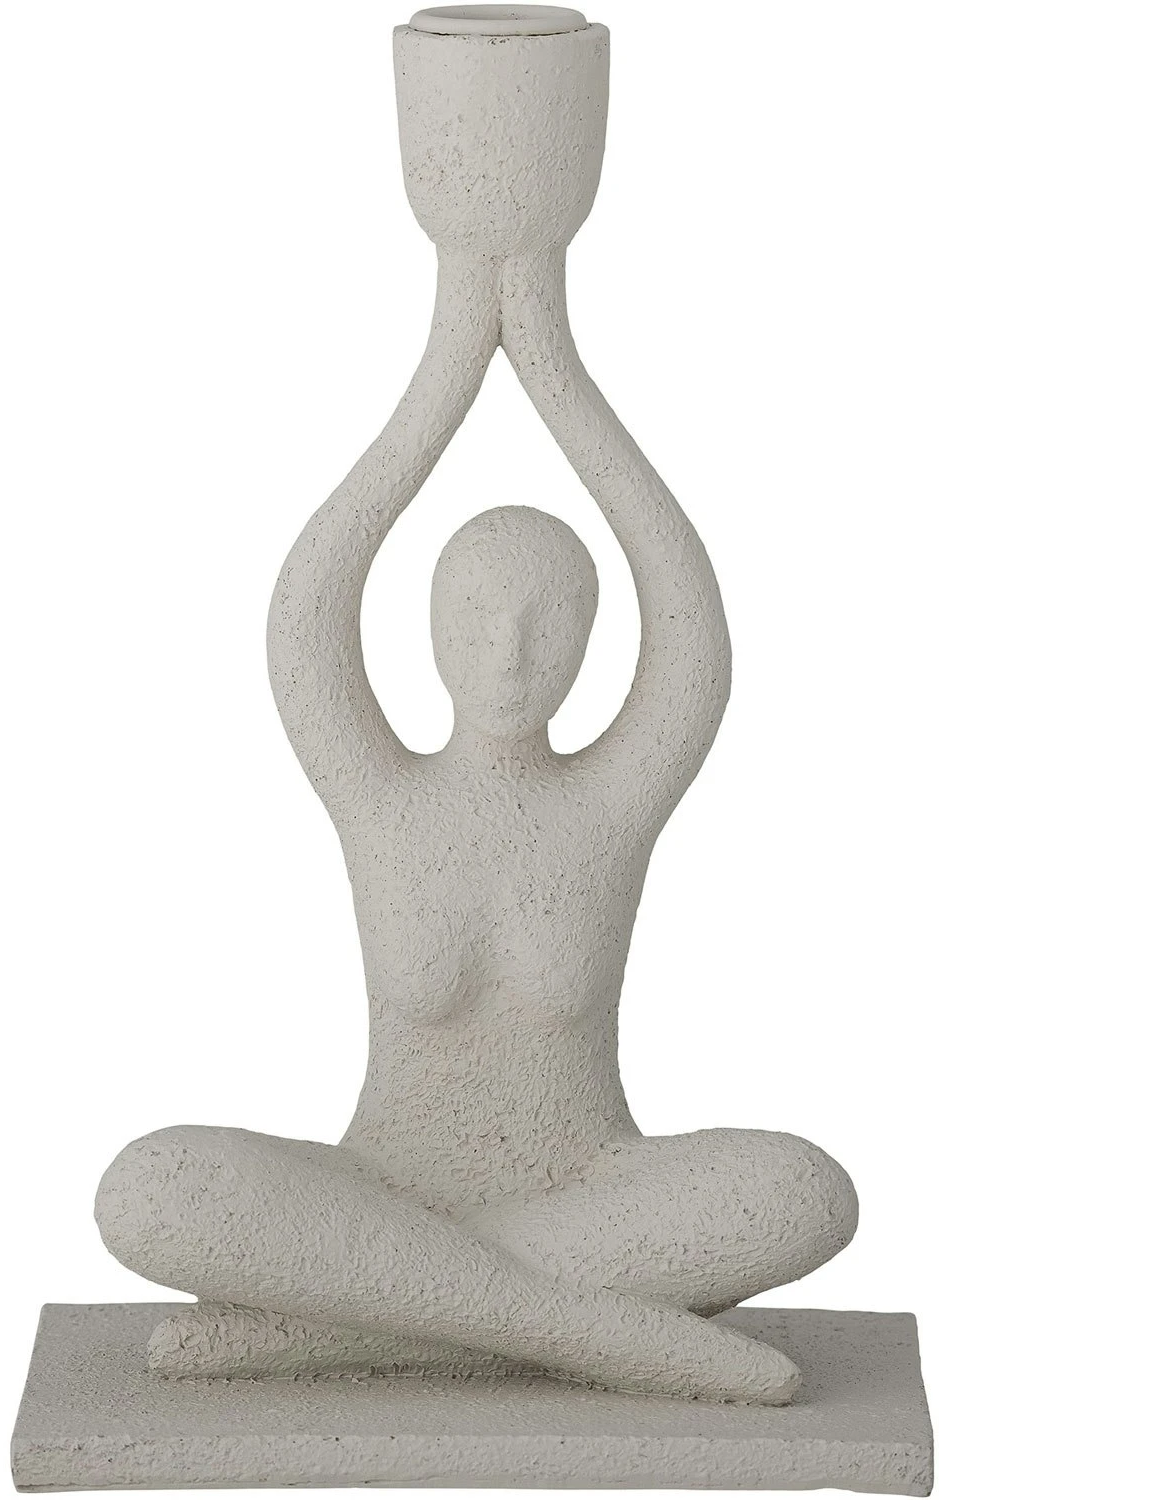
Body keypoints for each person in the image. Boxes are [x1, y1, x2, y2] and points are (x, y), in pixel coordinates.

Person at [96, 255, 856, 1404]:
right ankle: (562, 1326)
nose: (508, 653)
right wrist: (461, 334)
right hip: (380, 1191)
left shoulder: (609, 802)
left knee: (801, 1193)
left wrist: (548, 351)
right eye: (475, 617)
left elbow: (685, 611)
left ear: (594, 641)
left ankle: (340, 1322)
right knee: (150, 1189)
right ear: (430, 630)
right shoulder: (380, 794)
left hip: (582, 1198)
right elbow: (309, 605)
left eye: (548, 624)